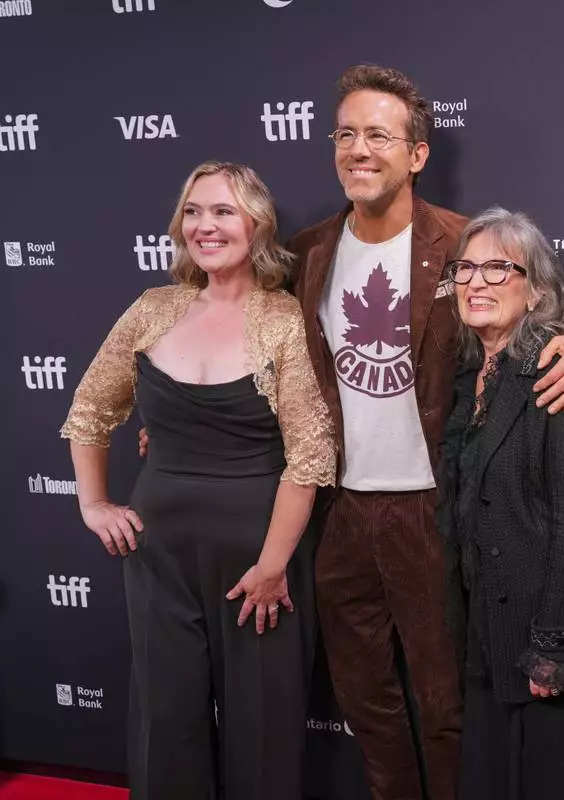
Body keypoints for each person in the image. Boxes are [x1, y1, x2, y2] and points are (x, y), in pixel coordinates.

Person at [283, 65, 564, 800]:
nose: (358, 149)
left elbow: (546, 304)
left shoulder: (463, 242)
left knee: (446, 704)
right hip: (340, 511)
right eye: (345, 133)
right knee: (365, 701)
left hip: (434, 507)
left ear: (417, 154)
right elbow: (241, 316)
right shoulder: (307, 252)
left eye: (378, 135)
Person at [60, 161, 337, 800]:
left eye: (223, 212)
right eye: (193, 211)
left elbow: (310, 455)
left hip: (261, 562)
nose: (205, 226)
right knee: (166, 721)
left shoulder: (283, 318)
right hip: (159, 556)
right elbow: (90, 411)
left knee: (264, 731)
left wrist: (272, 567)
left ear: (257, 224)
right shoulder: (152, 309)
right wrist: (93, 503)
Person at [435, 207, 564, 800]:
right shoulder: (469, 375)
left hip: (545, 645)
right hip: (489, 635)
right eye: (465, 268)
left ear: (536, 289)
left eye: (498, 268)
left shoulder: (555, 364)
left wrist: (552, 649)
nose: (476, 282)